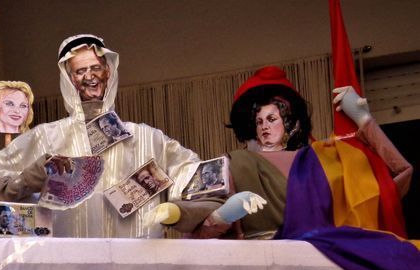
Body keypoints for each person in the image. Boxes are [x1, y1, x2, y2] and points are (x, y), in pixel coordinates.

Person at [0, 34, 200, 238]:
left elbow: (196, 175)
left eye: (96, 68)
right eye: (80, 71)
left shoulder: (148, 139)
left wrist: (183, 212)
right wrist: (33, 176)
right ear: (69, 79)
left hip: (135, 266)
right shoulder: (45, 138)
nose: (90, 76)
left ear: (108, 71)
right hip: (69, 267)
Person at [156, 66, 412, 240]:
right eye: (258, 120)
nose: (264, 126)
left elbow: (395, 179)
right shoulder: (230, 162)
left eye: (272, 118)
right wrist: (222, 216)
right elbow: (195, 235)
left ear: (292, 121)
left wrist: (364, 121)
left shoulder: (327, 157)